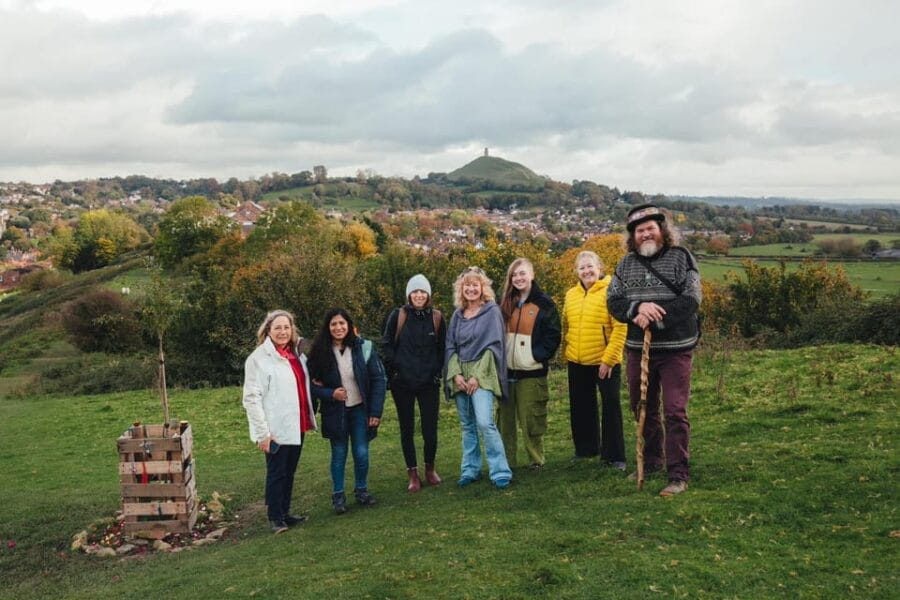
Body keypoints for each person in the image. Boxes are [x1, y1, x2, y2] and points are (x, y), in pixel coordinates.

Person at [607, 203, 702, 497]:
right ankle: (651, 461)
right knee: (642, 406)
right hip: (638, 350)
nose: (645, 234)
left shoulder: (681, 258)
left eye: (650, 228)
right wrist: (636, 309)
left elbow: (692, 299)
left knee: (674, 410)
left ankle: (678, 473)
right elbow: (613, 301)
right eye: (639, 230)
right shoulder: (625, 265)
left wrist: (654, 315)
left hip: (675, 350)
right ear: (632, 236)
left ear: (662, 229)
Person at [242, 310, 317, 534]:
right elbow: (251, 398)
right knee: (276, 472)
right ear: (268, 331)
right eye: (278, 328)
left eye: (286, 327)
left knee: (290, 470)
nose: (283, 332)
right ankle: (275, 517)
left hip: (296, 422)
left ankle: (285, 512)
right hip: (274, 427)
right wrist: (263, 433)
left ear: (292, 330)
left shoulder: (295, 354)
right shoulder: (258, 359)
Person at [308, 308, 386, 514]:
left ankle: (361, 490)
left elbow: (378, 380)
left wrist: (375, 412)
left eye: (342, 323)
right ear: (328, 328)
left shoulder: (363, 348)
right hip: (335, 412)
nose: (338, 327)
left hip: (361, 409)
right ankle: (338, 495)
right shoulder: (319, 352)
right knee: (339, 453)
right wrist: (330, 393)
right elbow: (311, 386)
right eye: (333, 324)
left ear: (350, 326)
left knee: (361, 452)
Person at [445, 266, 513, 489]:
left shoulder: (491, 311)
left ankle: (500, 471)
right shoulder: (457, 315)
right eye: (467, 285)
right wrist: (455, 374)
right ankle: (470, 469)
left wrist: (476, 377)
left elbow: (493, 347)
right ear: (461, 289)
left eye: (475, 285)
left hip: (482, 373)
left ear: (483, 287)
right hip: (460, 373)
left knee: (485, 422)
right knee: (467, 425)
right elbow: (450, 346)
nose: (471, 289)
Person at [381, 274, 447, 493]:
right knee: (406, 428)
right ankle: (412, 473)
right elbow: (387, 345)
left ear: (428, 295)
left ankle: (430, 468)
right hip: (403, 384)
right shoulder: (398, 316)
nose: (419, 295)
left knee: (430, 428)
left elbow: (443, 349)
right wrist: (398, 369)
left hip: (428, 382)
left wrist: (435, 371)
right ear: (409, 294)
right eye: (415, 291)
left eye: (423, 292)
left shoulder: (437, 317)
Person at [563, 251, 628, 469]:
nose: (586, 271)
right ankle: (586, 449)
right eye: (582, 268)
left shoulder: (611, 291)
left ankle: (614, 456)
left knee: (610, 406)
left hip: (605, 361)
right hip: (577, 360)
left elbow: (621, 328)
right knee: (581, 406)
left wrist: (609, 359)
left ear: (599, 267)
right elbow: (567, 325)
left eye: (590, 266)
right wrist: (568, 350)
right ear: (576, 271)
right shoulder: (571, 295)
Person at [497, 258, 561, 470]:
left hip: (532, 373)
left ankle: (536, 460)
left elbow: (553, 336)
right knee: (505, 422)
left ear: (532, 275)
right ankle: (507, 463)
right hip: (507, 373)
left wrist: (535, 356)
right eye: (514, 275)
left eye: (522, 273)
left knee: (531, 420)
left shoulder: (545, 303)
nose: (518, 278)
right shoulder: (506, 302)